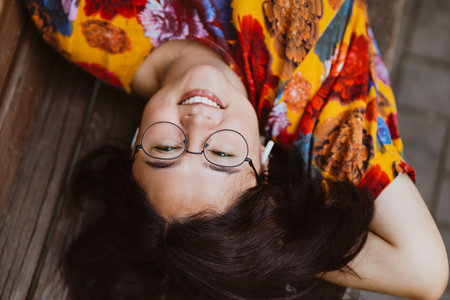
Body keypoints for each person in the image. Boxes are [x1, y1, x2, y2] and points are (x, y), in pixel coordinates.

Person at [27, 0, 448, 299]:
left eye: (167, 147)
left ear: (136, 143)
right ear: (263, 166)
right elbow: (424, 273)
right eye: (223, 156)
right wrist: (263, 248)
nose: (196, 122)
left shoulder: (78, 20)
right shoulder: (307, 102)